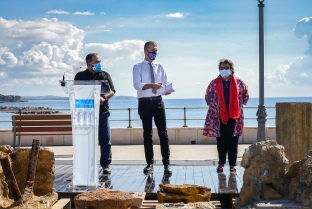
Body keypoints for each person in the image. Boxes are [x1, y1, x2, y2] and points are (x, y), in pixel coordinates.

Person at [132, 41, 172, 175]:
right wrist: (152, 85)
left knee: (163, 133)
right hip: (144, 102)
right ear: (145, 51)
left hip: (158, 102)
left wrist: (167, 90)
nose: (155, 53)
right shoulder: (137, 67)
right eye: (153, 50)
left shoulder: (160, 67)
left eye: (156, 50)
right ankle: (149, 164)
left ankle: (167, 164)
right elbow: (137, 85)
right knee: (147, 134)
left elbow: (164, 84)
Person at [203, 58, 249, 172]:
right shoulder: (214, 83)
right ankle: (221, 163)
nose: (224, 70)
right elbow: (207, 97)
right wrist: (216, 107)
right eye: (221, 68)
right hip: (219, 118)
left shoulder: (239, 83)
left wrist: (236, 106)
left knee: (233, 142)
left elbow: (245, 96)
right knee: (221, 142)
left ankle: (232, 164)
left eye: (226, 68)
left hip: (235, 117)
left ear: (232, 69)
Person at [74, 53, 116, 175]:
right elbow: (76, 92)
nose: (99, 64)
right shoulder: (80, 76)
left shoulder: (104, 75)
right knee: (87, 140)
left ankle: (106, 165)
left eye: (100, 61)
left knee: (105, 139)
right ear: (89, 64)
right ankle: (87, 164)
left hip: (103, 112)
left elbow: (112, 91)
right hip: (86, 113)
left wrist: (104, 97)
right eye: (96, 62)